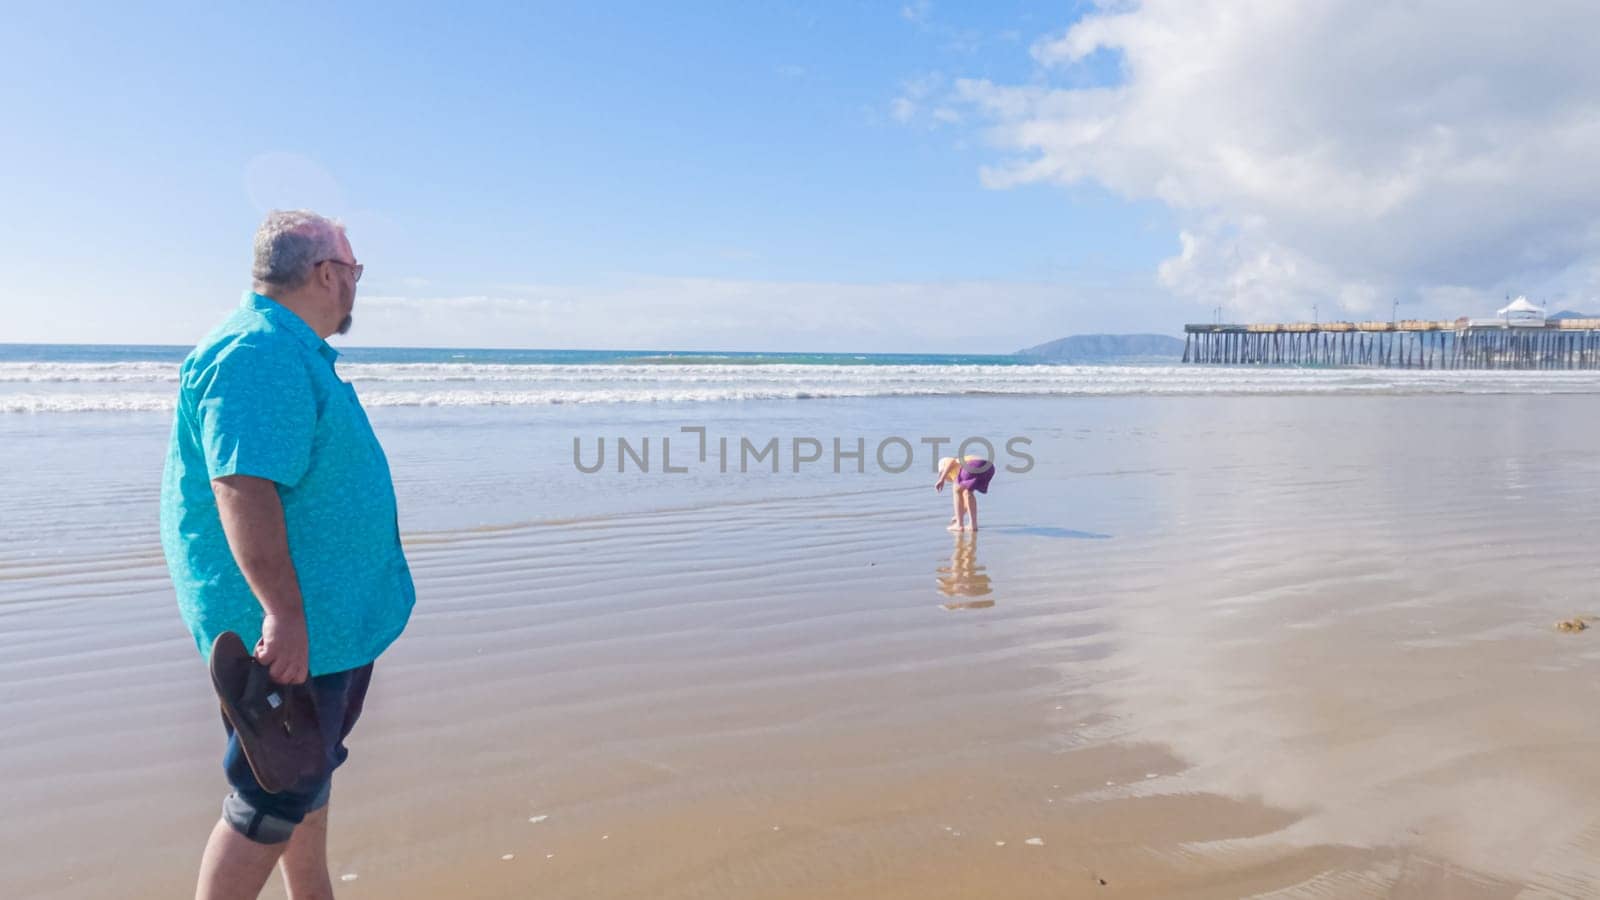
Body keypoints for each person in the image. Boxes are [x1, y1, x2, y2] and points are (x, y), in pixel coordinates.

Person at [160, 209, 415, 900]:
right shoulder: (258, 353)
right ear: (327, 273)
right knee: (267, 800)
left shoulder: (284, 346)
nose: (355, 285)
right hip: (291, 632)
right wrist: (284, 613)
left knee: (303, 772)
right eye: (354, 271)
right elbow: (242, 485)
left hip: (320, 624)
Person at [934, 455, 994, 532]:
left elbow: (951, 461)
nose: (948, 479)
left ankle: (959, 525)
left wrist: (941, 479)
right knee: (968, 492)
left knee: (956, 490)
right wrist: (960, 514)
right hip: (989, 468)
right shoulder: (961, 469)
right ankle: (973, 525)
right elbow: (966, 499)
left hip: (973, 465)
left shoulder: (949, 463)